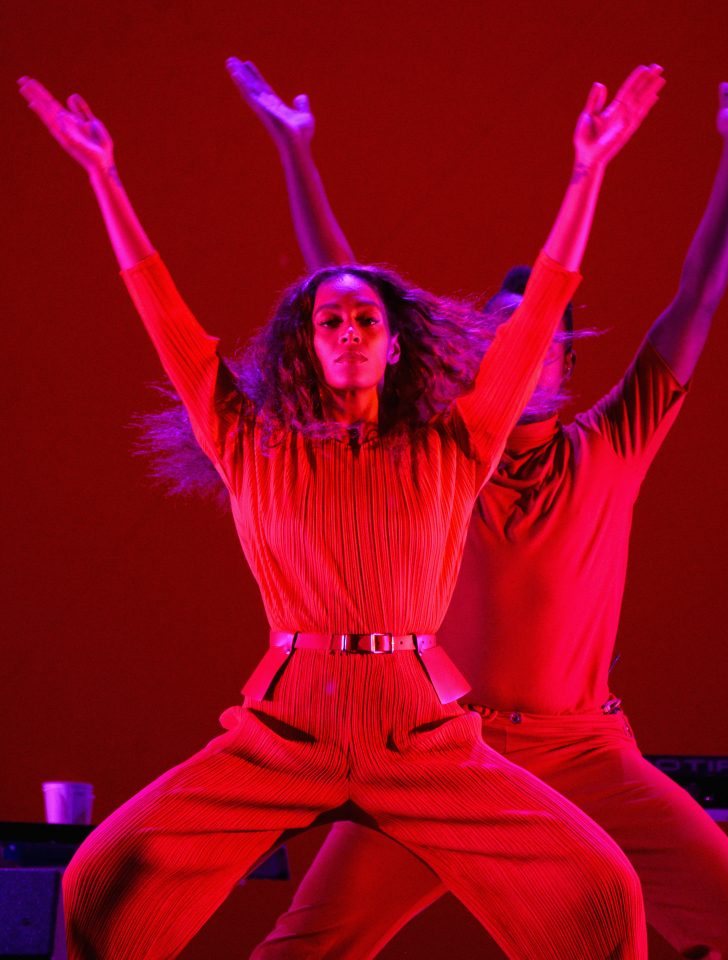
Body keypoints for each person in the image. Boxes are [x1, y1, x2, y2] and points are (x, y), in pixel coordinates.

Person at [18, 58, 665, 960]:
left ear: (396, 345)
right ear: (305, 346)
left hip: (421, 731)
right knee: (101, 883)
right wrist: (103, 176)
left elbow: (539, 310)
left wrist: (588, 171)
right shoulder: (249, 440)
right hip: (285, 724)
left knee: (597, 892)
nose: (350, 329)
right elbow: (161, 312)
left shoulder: (456, 443)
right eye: (330, 320)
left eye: (366, 318)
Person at [226, 36, 728, 960]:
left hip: (587, 755)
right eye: (494, 340)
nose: (515, 354)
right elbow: (351, 297)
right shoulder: (440, 452)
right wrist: (295, 146)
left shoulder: (613, 438)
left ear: (567, 357)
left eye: (538, 338)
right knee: (307, 946)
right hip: (443, 758)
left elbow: (701, 290)